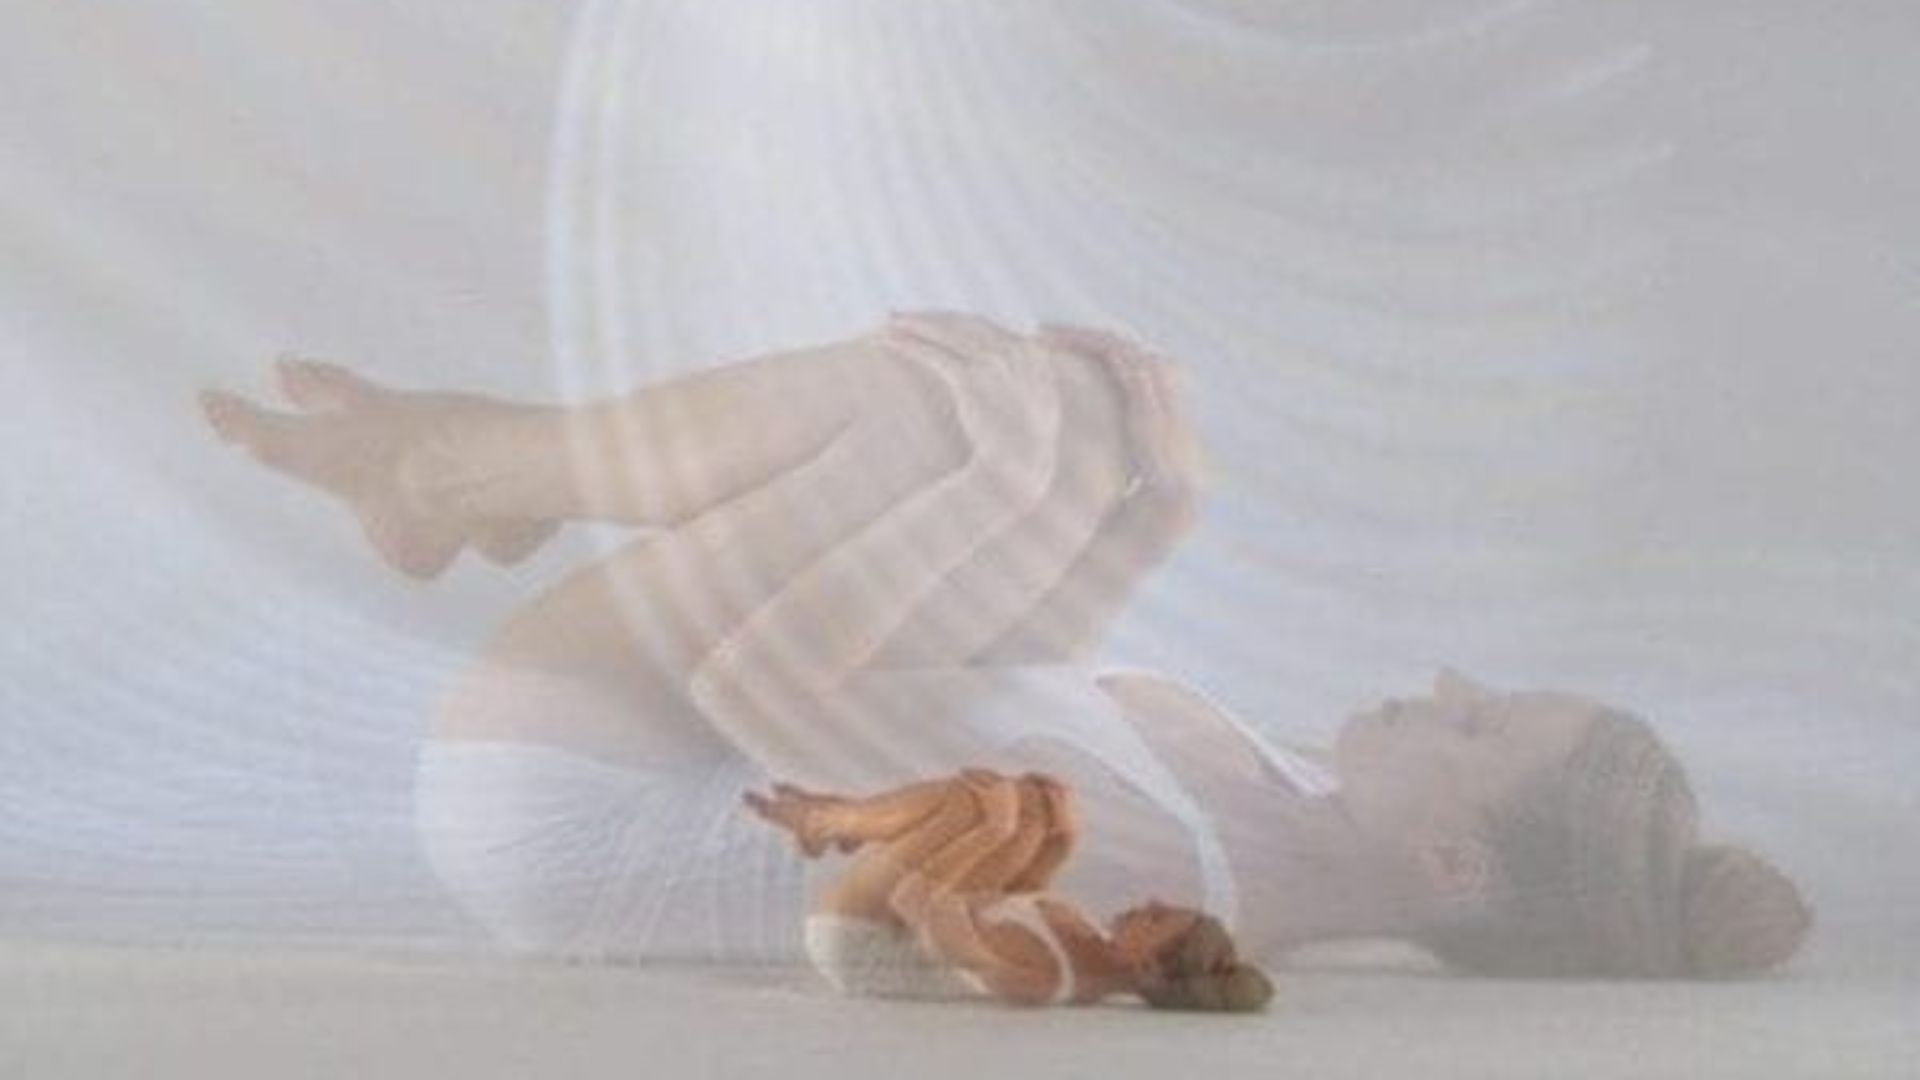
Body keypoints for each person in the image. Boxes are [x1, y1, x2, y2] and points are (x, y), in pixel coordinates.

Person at [198, 311, 1811, 978]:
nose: (1450, 687)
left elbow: (770, 693)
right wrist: (1134, 515)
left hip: (560, 790)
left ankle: (465, 469)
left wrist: (1004, 478)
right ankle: (471, 472)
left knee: (930, 415)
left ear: (1455, 866)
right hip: (689, 720)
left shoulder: (1145, 876)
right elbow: (972, 675)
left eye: (1479, 727)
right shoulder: (1275, 784)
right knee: (1016, 419)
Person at [745, 767, 1272, 1010]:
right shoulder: (1097, 949)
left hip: (862, 939)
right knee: (1033, 804)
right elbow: (1011, 902)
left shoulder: (1044, 983)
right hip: (911, 912)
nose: (1151, 903)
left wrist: (991, 833)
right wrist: (1059, 840)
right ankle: (836, 820)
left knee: (974, 803)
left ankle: (829, 821)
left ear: (1147, 966)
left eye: (1158, 920)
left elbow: (919, 906)